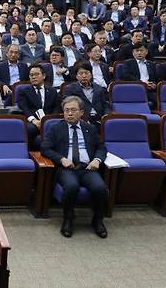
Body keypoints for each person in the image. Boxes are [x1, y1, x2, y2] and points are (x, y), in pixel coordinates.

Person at [41, 96, 109, 239]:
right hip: (67, 168)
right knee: (71, 186)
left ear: (81, 112)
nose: (69, 114)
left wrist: (97, 160)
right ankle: (68, 218)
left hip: (87, 168)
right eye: (66, 110)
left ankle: (98, 220)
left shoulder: (89, 128)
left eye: (73, 110)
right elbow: (45, 149)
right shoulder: (55, 128)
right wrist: (61, 159)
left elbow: (101, 147)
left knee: (100, 188)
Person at [63, 62, 109, 128]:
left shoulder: (99, 88)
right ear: (76, 76)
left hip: (99, 120)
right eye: (81, 73)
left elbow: (105, 105)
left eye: (86, 73)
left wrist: (106, 115)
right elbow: (67, 106)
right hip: (82, 120)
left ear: (91, 75)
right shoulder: (70, 89)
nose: (84, 76)